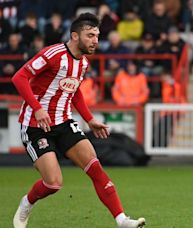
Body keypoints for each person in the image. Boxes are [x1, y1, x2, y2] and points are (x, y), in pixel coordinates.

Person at [11, 13, 145, 228]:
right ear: (75, 36)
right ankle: (26, 203)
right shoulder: (53, 54)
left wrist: (90, 119)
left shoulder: (82, 63)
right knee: (53, 184)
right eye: (90, 35)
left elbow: (75, 91)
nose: (95, 41)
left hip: (64, 122)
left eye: (97, 36)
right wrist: (37, 109)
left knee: (95, 167)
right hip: (36, 126)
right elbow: (19, 77)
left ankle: (122, 220)